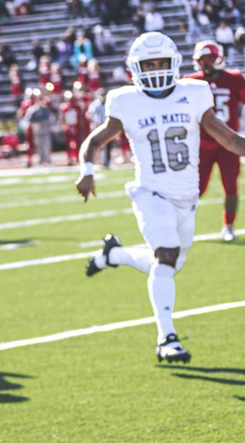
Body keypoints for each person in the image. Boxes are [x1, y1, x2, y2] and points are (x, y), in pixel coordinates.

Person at [78, 32, 245, 363]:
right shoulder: (124, 101)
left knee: (171, 263)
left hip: (186, 195)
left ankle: (115, 255)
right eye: (148, 64)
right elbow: (95, 141)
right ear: (134, 68)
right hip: (150, 192)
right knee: (166, 254)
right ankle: (167, 338)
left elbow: (229, 140)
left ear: (175, 64)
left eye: (161, 63)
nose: (155, 69)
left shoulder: (195, 93)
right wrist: (86, 170)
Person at [185, 40, 245, 242]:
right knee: (196, 188)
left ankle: (228, 226)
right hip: (202, 143)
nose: (205, 63)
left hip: (229, 143)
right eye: (202, 60)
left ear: (218, 58)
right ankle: (183, 224)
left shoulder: (235, 79)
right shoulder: (189, 82)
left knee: (230, 186)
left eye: (209, 58)